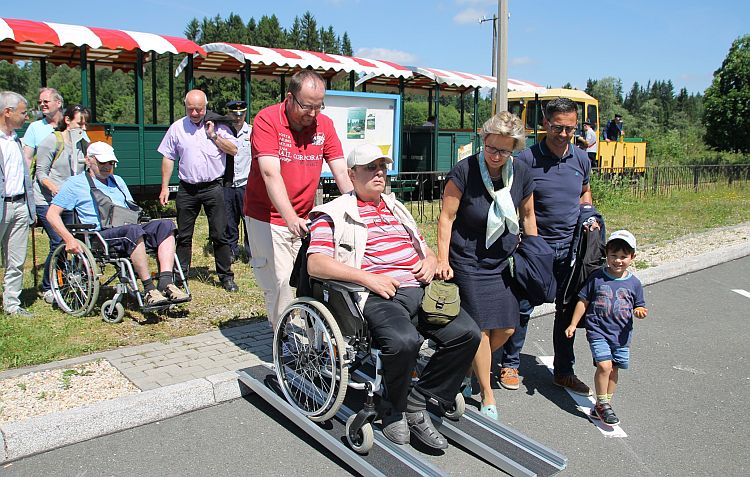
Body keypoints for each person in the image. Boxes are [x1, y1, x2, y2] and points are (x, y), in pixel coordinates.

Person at [307, 143, 480, 449]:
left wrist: (430, 260)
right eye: (370, 168)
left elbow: (421, 246)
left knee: (467, 334)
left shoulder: (396, 207)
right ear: (351, 174)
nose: (379, 173)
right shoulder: (331, 214)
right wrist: (367, 277)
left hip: (421, 289)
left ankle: (417, 400)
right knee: (404, 342)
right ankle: (392, 409)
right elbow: (315, 263)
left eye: (382, 167)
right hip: (376, 293)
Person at [436, 111, 537, 420]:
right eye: (492, 148)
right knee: (479, 329)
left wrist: (534, 255)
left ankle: (465, 367)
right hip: (468, 260)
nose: (496, 155)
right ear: (483, 141)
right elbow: (446, 218)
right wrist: (442, 259)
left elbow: (528, 216)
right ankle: (487, 393)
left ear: (514, 149)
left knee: (507, 327)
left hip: (502, 261)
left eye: (504, 150)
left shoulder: (521, 173)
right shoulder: (464, 171)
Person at [498, 97, 597, 396]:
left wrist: (589, 215)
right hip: (536, 249)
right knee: (523, 307)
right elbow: (510, 202)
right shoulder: (526, 161)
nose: (564, 134)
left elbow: (585, 193)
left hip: (571, 250)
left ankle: (564, 372)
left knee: (567, 310)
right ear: (545, 124)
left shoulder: (580, 158)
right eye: (558, 127)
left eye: (570, 128)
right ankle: (510, 364)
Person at [243, 70, 353, 328]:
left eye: (319, 106)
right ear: (290, 98)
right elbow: (270, 173)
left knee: (312, 277)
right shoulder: (267, 120)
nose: (313, 114)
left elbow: (339, 169)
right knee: (280, 281)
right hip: (267, 216)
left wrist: (355, 205)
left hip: (306, 216)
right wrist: (289, 217)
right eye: (307, 106)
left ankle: (312, 336)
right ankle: (286, 344)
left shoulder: (323, 125)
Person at [47, 142, 189, 306]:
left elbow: (130, 209)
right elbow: (52, 215)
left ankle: (166, 283)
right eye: (102, 163)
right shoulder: (74, 184)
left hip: (128, 228)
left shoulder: (118, 181)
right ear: (88, 160)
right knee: (133, 231)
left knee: (166, 225)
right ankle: (149, 289)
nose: (107, 167)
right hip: (99, 236)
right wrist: (68, 239)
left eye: (111, 163)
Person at [158, 90, 239, 292]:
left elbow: (233, 149)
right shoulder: (177, 128)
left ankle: (226, 276)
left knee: (220, 233)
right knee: (184, 235)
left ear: (206, 105)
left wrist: (213, 136)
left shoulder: (218, 125)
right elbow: (168, 157)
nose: (195, 113)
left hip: (213, 187)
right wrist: (164, 186)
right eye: (190, 109)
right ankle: (180, 276)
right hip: (187, 188)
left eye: (199, 109)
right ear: (185, 106)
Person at [565, 230, 648, 425]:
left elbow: (640, 305)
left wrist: (640, 311)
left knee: (614, 369)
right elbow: (583, 301)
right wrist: (573, 324)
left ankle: (603, 405)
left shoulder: (634, 283)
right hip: (598, 331)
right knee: (604, 365)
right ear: (606, 255)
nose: (618, 261)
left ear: (632, 257)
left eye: (623, 257)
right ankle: (602, 404)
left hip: (621, 335)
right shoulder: (597, 277)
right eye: (614, 256)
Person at [34, 104, 90, 304]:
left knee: (75, 241)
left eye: (85, 123)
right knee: (58, 242)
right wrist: (55, 189)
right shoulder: (52, 141)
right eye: (79, 123)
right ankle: (49, 286)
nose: (83, 127)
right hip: (47, 201)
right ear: (67, 121)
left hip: (70, 201)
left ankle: (69, 279)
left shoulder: (82, 142)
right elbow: (41, 173)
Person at [0, 91, 36, 316]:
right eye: (23, 113)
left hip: (20, 206)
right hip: (2, 206)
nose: (26, 117)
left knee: (16, 259)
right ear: (7, 112)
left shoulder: (15, 140)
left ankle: (12, 304)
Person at [222, 100, 252, 262]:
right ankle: (231, 251)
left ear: (245, 114)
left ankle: (250, 252)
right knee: (229, 219)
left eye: (241, 114)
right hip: (227, 182)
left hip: (246, 183)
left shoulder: (252, 132)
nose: (237, 118)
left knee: (248, 219)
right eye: (234, 114)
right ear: (229, 113)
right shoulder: (224, 131)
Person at [22, 87, 63, 169]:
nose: (42, 104)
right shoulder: (34, 127)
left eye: (46, 101)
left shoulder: (70, 125)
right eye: (39, 102)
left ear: (58, 103)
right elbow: (27, 158)